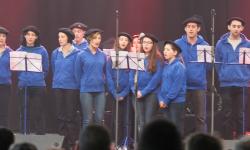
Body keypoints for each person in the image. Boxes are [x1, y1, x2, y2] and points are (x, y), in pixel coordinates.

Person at [215, 17, 250, 139]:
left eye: (238, 26)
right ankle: (227, 138)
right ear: (229, 27)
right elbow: (217, 62)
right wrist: (222, 75)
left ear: (242, 28)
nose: (236, 28)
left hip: (242, 83)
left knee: (240, 113)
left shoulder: (248, 44)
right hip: (226, 83)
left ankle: (241, 139)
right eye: (233, 26)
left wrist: (246, 75)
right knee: (227, 113)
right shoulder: (221, 43)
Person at [175, 15, 209, 134]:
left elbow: (208, 66)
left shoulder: (204, 45)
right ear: (185, 29)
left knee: (200, 117)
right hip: (182, 85)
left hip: (199, 86)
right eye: (188, 26)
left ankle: (201, 143)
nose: (190, 29)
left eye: (193, 27)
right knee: (179, 116)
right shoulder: (177, 44)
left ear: (198, 29)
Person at [51, 28, 80, 150]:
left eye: (62, 37)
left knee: (70, 116)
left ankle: (71, 143)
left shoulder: (77, 53)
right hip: (58, 86)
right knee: (60, 115)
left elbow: (77, 71)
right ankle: (62, 141)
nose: (60, 39)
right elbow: (53, 68)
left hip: (71, 88)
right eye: (59, 37)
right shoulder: (55, 53)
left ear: (68, 38)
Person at [16, 25, 49, 134]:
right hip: (23, 84)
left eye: (33, 35)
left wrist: (38, 78)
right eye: (28, 35)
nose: (30, 37)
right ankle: (24, 132)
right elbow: (16, 67)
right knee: (23, 109)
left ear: (36, 37)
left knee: (38, 109)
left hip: (38, 84)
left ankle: (40, 133)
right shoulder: (19, 50)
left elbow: (46, 67)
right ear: (24, 36)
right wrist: (22, 78)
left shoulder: (42, 50)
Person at [129, 33, 163, 136]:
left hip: (151, 94)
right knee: (140, 121)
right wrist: (133, 88)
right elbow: (131, 74)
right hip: (137, 93)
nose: (146, 45)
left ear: (153, 45)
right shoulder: (137, 57)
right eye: (144, 42)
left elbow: (156, 79)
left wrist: (143, 92)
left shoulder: (158, 59)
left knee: (149, 121)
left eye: (149, 42)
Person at [75, 28, 107, 130]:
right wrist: (83, 85)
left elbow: (105, 72)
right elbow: (77, 74)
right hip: (86, 90)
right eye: (94, 38)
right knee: (87, 120)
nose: (97, 40)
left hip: (100, 90)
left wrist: (105, 85)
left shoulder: (102, 55)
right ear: (89, 39)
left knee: (99, 118)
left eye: (99, 38)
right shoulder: (81, 54)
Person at [106, 32, 132, 144]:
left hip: (126, 94)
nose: (123, 42)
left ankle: (125, 142)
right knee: (116, 119)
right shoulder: (112, 57)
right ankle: (115, 142)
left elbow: (131, 78)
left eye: (126, 40)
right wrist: (114, 92)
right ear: (118, 41)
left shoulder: (131, 58)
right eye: (121, 39)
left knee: (126, 120)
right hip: (114, 93)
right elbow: (108, 75)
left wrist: (123, 93)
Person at [158, 40, 186, 134]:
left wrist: (166, 100)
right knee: (167, 127)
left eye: (168, 50)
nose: (165, 52)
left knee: (175, 127)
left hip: (176, 102)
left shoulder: (179, 66)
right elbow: (161, 84)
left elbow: (176, 87)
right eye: (164, 49)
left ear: (175, 52)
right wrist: (161, 99)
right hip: (165, 102)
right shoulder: (165, 66)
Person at [0, 26, 12, 127]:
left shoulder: (11, 52)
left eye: (3, 36)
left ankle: (4, 132)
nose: (1, 38)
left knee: (4, 109)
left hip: (5, 84)